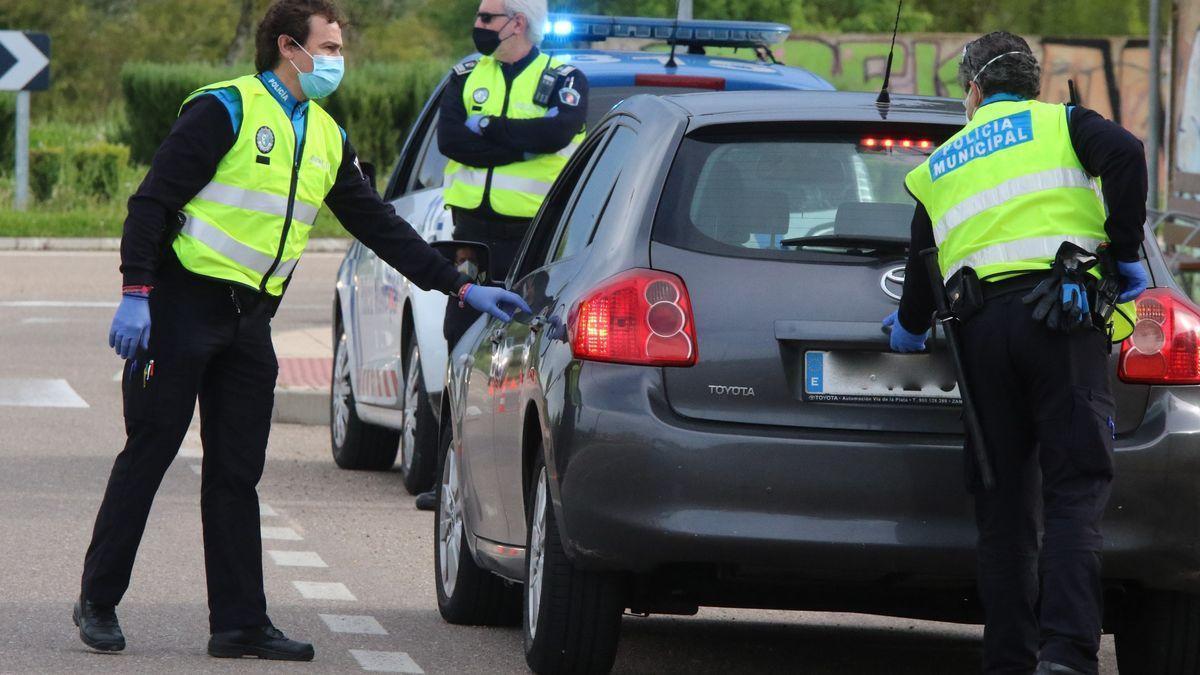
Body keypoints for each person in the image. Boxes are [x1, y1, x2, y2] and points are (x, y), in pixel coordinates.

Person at [74, 0, 529, 661]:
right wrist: (136, 293)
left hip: (250, 323)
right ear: (291, 47)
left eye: (341, 49)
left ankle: (238, 623)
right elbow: (151, 202)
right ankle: (99, 599)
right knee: (149, 454)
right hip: (180, 310)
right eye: (332, 47)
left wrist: (457, 283)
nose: (339, 61)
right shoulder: (226, 110)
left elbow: (378, 225)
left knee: (236, 474)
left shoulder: (324, 134)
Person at [884, 32, 1149, 675]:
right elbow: (1128, 154)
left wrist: (909, 327)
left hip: (979, 335)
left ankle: (1007, 659)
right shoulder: (1065, 123)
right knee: (1072, 493)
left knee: (1003, 511)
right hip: (1060, 322)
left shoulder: (942, 163)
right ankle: (1065, 656)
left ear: (973, 90)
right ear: (1032, 84)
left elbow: (925, 261)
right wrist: (1124, 251)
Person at [413, 0, 588, 512]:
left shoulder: (562, 77)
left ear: (518, 22)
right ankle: (446, 478)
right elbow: (451, 140)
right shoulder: (465, 75)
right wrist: (517, 142)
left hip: (534, 239)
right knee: (459, 346)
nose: (477, 25)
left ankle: (514, 482)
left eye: (488, 18)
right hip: (472, 237)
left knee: (521, 356)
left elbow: (557, 134)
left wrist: (487, 130)